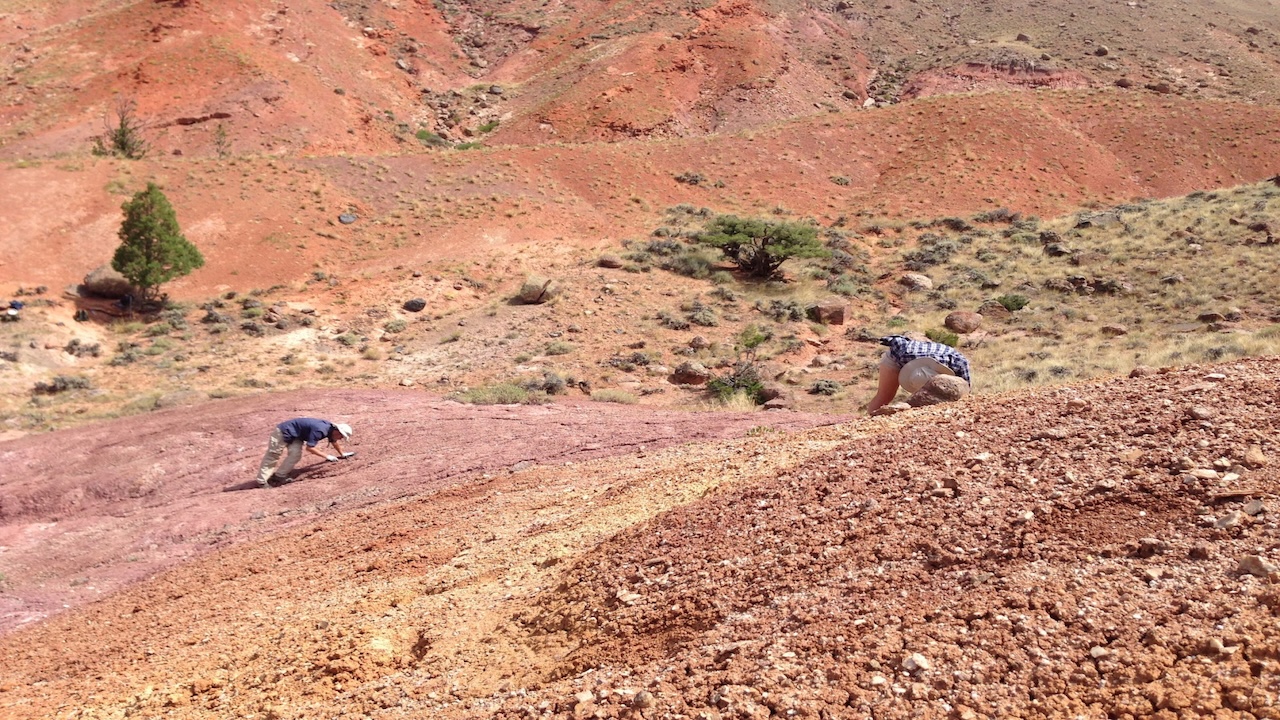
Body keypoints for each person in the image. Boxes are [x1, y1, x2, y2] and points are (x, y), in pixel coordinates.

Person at [866, 334, 971, 414]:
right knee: (884, 396)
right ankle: (868, 422)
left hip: (932, 359)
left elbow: (966, 395)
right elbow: (897, 343)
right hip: (895, 357)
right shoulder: (904, 355)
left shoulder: (958, 364)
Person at [257, 418, 354, 487]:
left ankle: (279, 475)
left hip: (296, 436)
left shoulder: (330, 430)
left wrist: (342, 454)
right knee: (273, 455)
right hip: (283, 431)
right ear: (337, 430)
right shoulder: (320, 430)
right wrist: (327, 456)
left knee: (295, 455)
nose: (341, 438)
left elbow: (334, 441)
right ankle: (262, 481)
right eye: (342, 436)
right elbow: (310, 448)